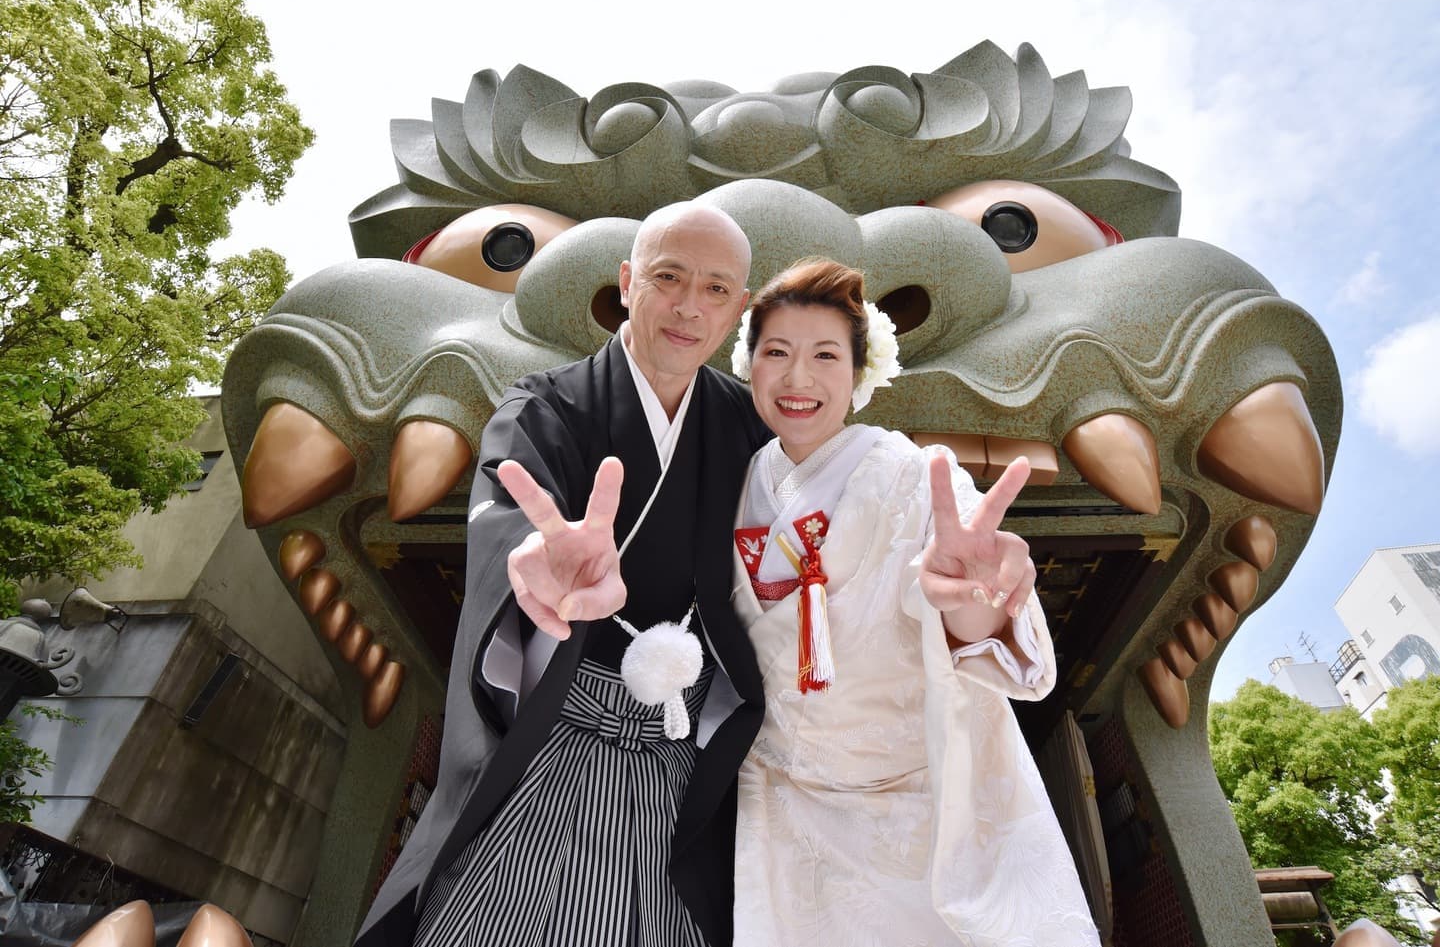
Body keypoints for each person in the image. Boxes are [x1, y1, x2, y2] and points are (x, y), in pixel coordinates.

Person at [356, 202, 771, 947]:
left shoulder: (753, 428)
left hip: (676, 768)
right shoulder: (547, 403)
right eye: (668, 276)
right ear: (626, 281)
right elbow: (510, 513)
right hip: (554, 742)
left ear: (739, 306)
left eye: (716, 289)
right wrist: (534, 575)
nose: (689, 305)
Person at [728, 259, 1101, 946]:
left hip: (910, 804)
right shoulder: (743, 480)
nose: (798, 378)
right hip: (786, 804)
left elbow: (960, 602)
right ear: (748, 364)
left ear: (859, 371)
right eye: (775, 352)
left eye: (825, 355)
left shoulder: (908, 471)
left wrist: (972, 595)